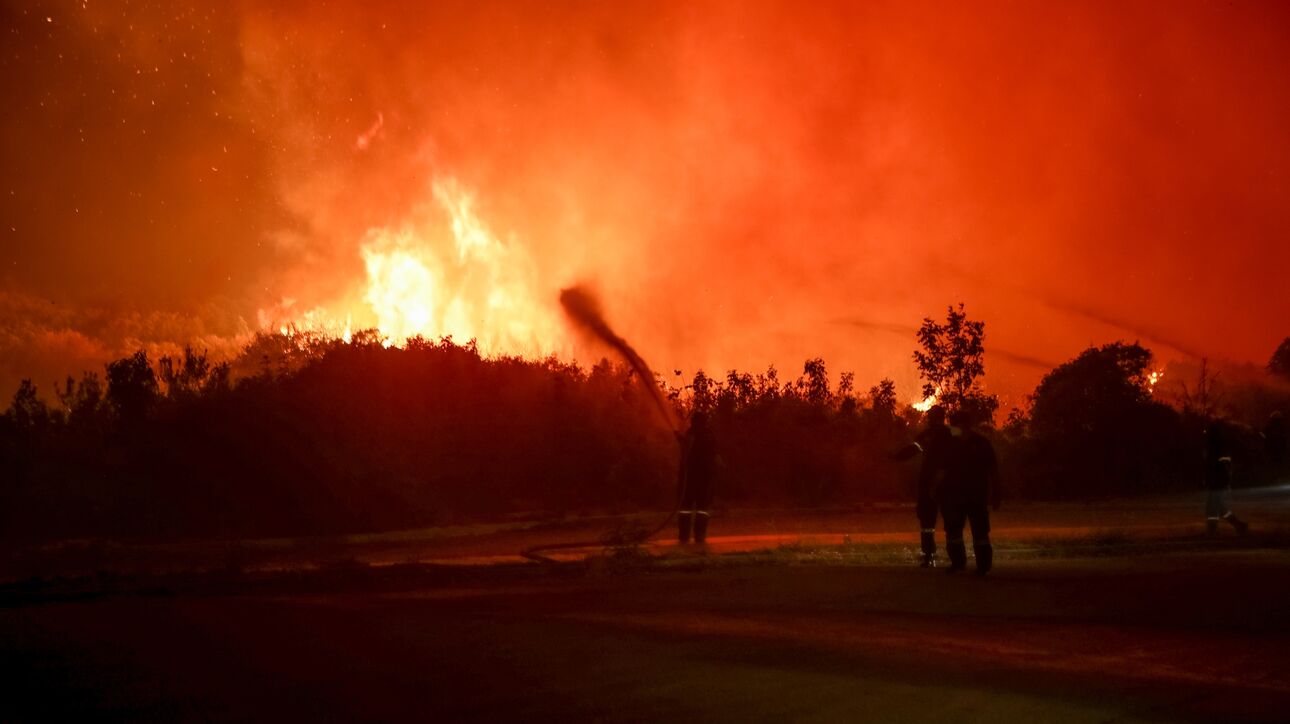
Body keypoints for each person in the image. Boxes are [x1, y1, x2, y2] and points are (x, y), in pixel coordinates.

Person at [938, 408, 1001, 575]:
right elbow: (942, 470)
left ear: (963, 425)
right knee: (953, 531)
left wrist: (996, 492)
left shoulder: (981, 444)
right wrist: (936, 488)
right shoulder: (950, 445)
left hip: (976, 495)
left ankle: (983, 566)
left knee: (980, 532)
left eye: (954, 425)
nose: (951, 428)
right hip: (955, 495)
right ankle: (957, 562)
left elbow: (993, 470)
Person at [891, 406, 951, 567]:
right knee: (937, 520)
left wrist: (895, 457)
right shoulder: (945, 433)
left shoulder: (935, 434)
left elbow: (912, 450)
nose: (929, 420)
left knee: (931, 520)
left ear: (936, 418)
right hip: (942, 482)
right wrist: (896, 456)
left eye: (931, 417)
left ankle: (930, 555)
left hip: (937, 481)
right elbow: (913, 449)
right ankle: (948, 557)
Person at [677, 410, 720, 545]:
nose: (693, 423)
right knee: (691, 508)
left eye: (695, 421)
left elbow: (693, 449)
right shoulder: (705, 434)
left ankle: (691, 536)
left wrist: (682, 440)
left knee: (695, 508)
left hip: (698, 478)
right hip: (695, 478)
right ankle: (691, 536)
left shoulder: (703, 435)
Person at [1204, 422, 1249, 535]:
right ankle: (1238, 525)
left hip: (1217, 481)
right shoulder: (1218, 445)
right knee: (1217, 506)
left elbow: (1214, 464)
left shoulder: (1214, 446)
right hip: (1219, 480)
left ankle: (1215, 529)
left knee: (1213, 506)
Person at [1262, 411, 1286, 484]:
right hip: (1273, 448)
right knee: (1275, 463)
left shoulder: (1280, 428)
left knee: (1276, 463)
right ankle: (1275, 477)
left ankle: (1276, 477)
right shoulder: (1272, 427)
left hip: (1275, 449)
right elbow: (1264, 436)